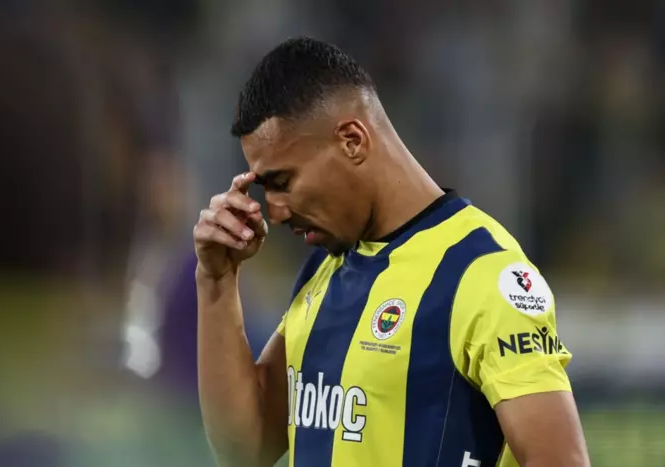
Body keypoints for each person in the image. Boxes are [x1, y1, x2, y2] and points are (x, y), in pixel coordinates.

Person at [193, 37, 590, 467]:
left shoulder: (483, 273)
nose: (275, 210)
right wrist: (216, 280)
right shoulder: (324, 271)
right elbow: (245, 450)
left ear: (352, 140)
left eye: (283, 182)